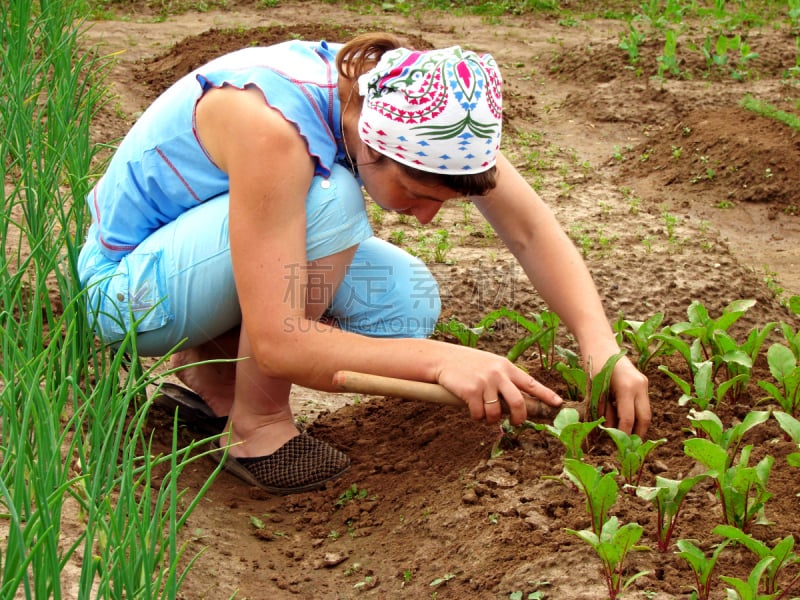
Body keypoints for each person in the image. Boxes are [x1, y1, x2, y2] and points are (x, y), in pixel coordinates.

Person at [78, 32, 650, 495]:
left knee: (404, 299)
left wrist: (602, 348)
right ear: (373, 147)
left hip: (198, 260)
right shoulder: (275, 127)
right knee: (330, 201)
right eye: (416, 193)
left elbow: (529, 230)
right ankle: (256, 428)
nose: (425, 218)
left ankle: (212, 382)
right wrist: (441, 360)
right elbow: (279, 343)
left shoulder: (423, 109)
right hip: (129, 296)